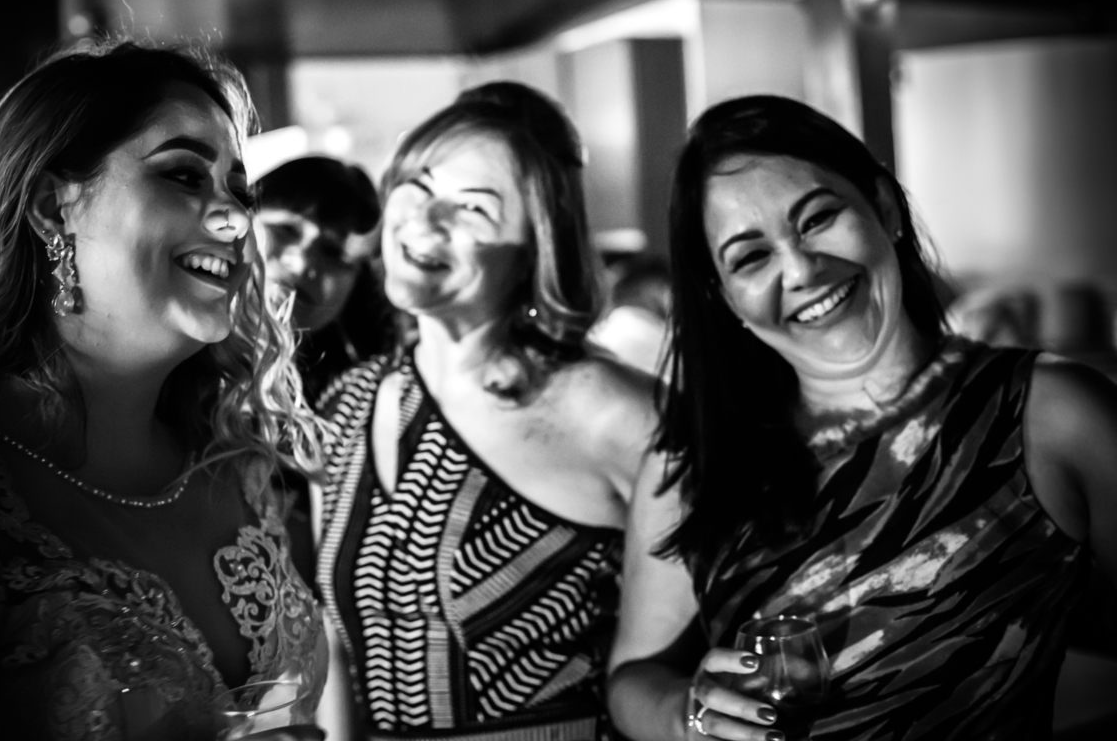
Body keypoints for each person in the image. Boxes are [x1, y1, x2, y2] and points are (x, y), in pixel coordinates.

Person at [607, 95, 1117, 741]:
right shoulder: (693, 459)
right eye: (750, 257)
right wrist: (686, 717)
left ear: (884, 208)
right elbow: (633, 677)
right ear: (723, 295)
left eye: (818, 219)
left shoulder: (1051, 413)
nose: (801, 270)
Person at [0, 40, 327, 740]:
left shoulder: (232, 461)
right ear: (54, 206)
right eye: (184, 176)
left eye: (239, 190)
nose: (234, 219)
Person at [315, 81, 660, 741]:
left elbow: (683, 654)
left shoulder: (615, 413)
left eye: (473, 207)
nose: (425, 220)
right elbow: (332, 643)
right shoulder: (345, 406)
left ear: (536, 249)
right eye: (418, 185)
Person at [256, 155, 394, 402]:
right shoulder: (179, 359)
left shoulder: (359, 405)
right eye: (286, 230)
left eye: (332, 252)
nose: (301, 263)